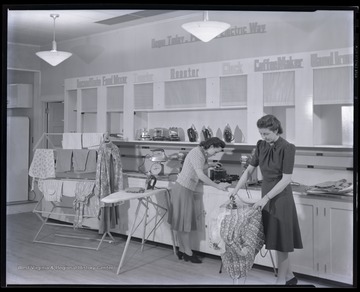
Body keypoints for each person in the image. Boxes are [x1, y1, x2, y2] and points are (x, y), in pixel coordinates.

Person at [228, 114, 303, 285]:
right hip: (266, 196)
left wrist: (266, 198)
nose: (263, 137)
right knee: (275, 238)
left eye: (266, 134)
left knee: (282, 242)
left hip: (281, 198)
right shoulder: (261, 145)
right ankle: (290, 277)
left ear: (276, 130)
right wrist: (236, 189)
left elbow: (286, 179)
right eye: (261, 134)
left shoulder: (288, 148)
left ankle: (281, 281)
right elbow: (249, 171)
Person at [167, 137, 230, 264]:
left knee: (182, 223)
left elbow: (198, 166)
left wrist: (211, 164)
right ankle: (188, 253)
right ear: (211, 146)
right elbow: (200, 174)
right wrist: (218, 186)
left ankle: (183, 250)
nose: (215, 154)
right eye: (216, 151)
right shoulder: (197, 153)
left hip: (184, 188)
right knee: (184, 224)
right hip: (183, 189)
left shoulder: (201, 153)